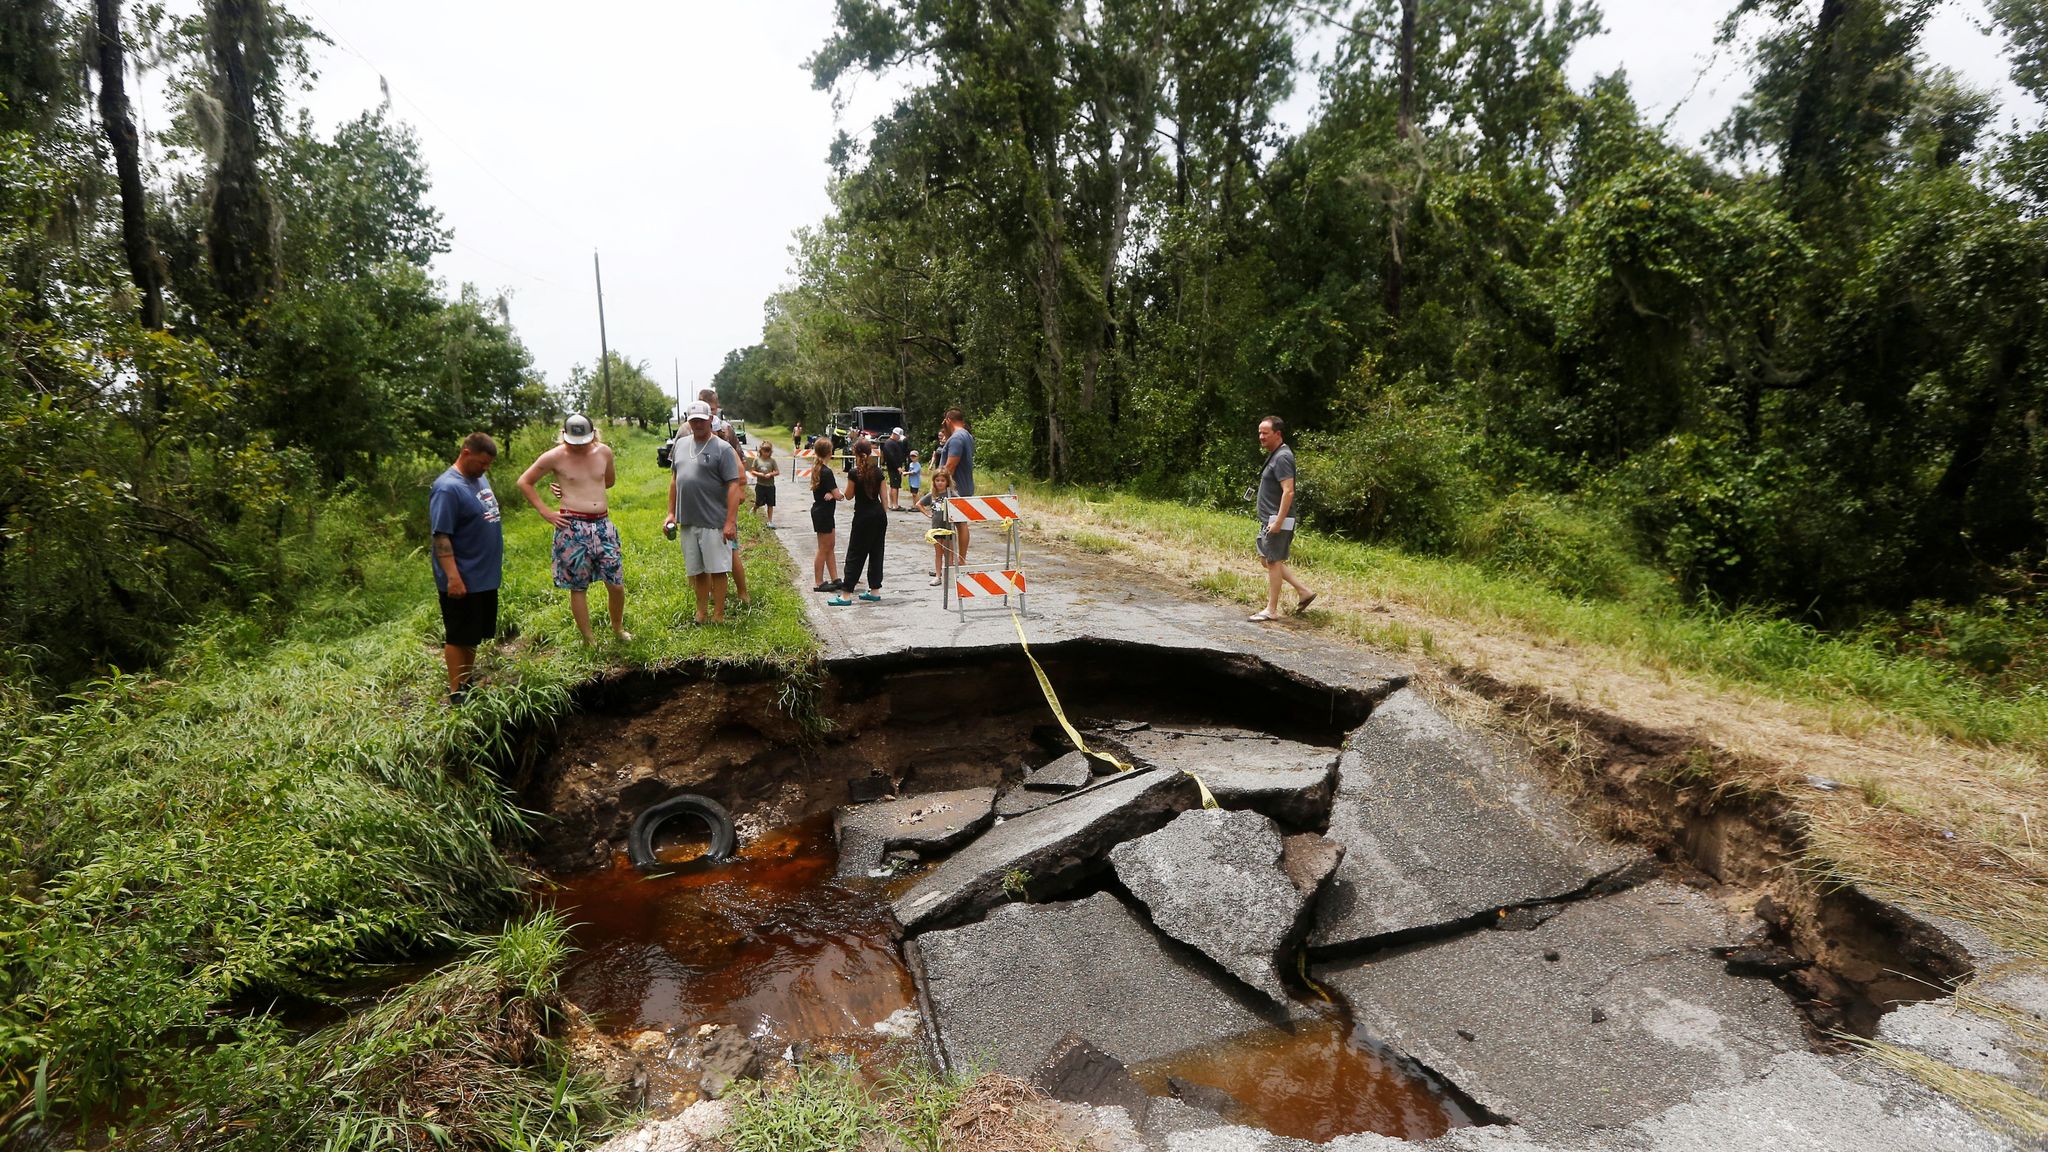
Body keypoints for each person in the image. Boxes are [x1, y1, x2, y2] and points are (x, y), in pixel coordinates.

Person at [516, 414, 631, 646]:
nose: (578, 446)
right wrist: (546, 512)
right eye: (573, 441)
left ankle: (618, 628)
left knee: (616, 584)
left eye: (583, 441)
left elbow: (608, 481)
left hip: (603, 525)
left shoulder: (604, 452)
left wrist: (575, 485)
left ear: (593, 434)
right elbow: (524, 481)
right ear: (564, 435)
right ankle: (589, 639)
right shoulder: (554, 456)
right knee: (578, 587)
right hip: (572, 527)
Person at [429, 432, 503, 705]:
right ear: (466, 453)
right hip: (463, 576)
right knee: (458, 634)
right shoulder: (447, 488)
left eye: (489, 464)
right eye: (482, 462)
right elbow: (441, 536)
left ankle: (467, 680)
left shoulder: (478, 477)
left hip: (483, 576)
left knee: (472, 633)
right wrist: (453, 577)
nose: (485, 468)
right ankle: (456, 691)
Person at [664, 400, 745, 624]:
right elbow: (675, 480)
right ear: (688, 422)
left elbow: (733, 485)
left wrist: (730, 522)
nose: (698, 424)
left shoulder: (722, 448)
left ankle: (718, 614)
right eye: (693, 421)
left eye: (701, 420)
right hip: (688, 520)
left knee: (718, 569)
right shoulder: (681, 445)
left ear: (710, 419)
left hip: (714, 520)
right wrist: (671, 513)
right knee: (697, 571)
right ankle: (701, 613)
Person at [1250, 415, 1317, 622]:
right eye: (1260, 433)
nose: (1261, 437)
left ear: (1277, 434)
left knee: (1273, 562)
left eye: (1265, 433)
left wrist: (1279, 521)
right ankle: (1303, 591)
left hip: (1277, 521)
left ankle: (1271, 610)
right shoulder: (1276, 454)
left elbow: (1288, 491)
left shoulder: (1282, 457)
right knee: (1267, 560)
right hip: (1269, 520)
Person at [700, 388, 749, 605]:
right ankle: (713, 593)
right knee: (706, 552)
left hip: (722, 504)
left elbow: (741, 469)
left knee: (731, 548)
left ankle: (742, 593)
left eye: (712, 410)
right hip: (701, 504)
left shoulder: (726, 435)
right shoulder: (687, 431)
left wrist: (738, 491)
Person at [833, 439, 887, 605]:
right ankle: (875, 590)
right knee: (876, 552)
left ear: (855, 453)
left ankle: (846, 594)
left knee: (855, 554)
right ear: (870, 453)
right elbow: (885, 500)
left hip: (863, 516)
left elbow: (849, 495)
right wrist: (881, 516)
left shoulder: (854, 472)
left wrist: (840, 492)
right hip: (879, 515)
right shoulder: (878, 471)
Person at [936, 408, 976, 560]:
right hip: (964, 485)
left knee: (954, 525)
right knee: (958, 523)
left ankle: (957, 560)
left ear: (948, 420)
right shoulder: (966, 436)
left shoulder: (956, 439)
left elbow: (951, 466)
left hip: (955, 488)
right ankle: (956, 560)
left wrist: (940, 485)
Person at [809, 434, 844, 592]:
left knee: (830, 546)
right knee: (823, 548)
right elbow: (838, 495)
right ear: (830, 452)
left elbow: (829, 492)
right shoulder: (826, 472)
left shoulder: (817, 468)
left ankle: (835, 578)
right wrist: (838, 494)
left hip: (823, 511)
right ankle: (818, 582)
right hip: (823, 512)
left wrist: (832, 494)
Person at [918, 465, 954, 586]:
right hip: (936, 529)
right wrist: (927, 514)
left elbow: (961, 504)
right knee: (938, 552)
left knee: (949, 552)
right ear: (934, 481)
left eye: (942, 480)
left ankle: (949, 575)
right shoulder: (932, 495)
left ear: (947, 482)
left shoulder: (951, 495)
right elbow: (919, 504)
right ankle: (938, 576)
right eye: (937, 480)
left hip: (949, 529)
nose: (940, 483)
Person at [748, 441, 780, 525]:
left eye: (768, 451)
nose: (766, 453)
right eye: (765, 451)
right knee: (759, 502)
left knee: (770, 503)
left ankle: (770, 521)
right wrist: (759, 474)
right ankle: (754, 509)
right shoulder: (757, 460)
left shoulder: (772, 461)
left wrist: (771, 474)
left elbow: (777, 472)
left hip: (770, 486)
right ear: (761, 450)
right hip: (760, 485)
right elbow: (752, 471)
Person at [881, 427, 909, 511]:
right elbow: (891, 457)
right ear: (895, 434)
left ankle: (892, 504)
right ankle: (894, 505)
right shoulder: (889, 444)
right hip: (894, 468)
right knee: (895, 486)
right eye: (899, 436)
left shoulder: (894, 443)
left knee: (894, 485)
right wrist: (898, 467)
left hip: (895, 467)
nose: (899, 438)